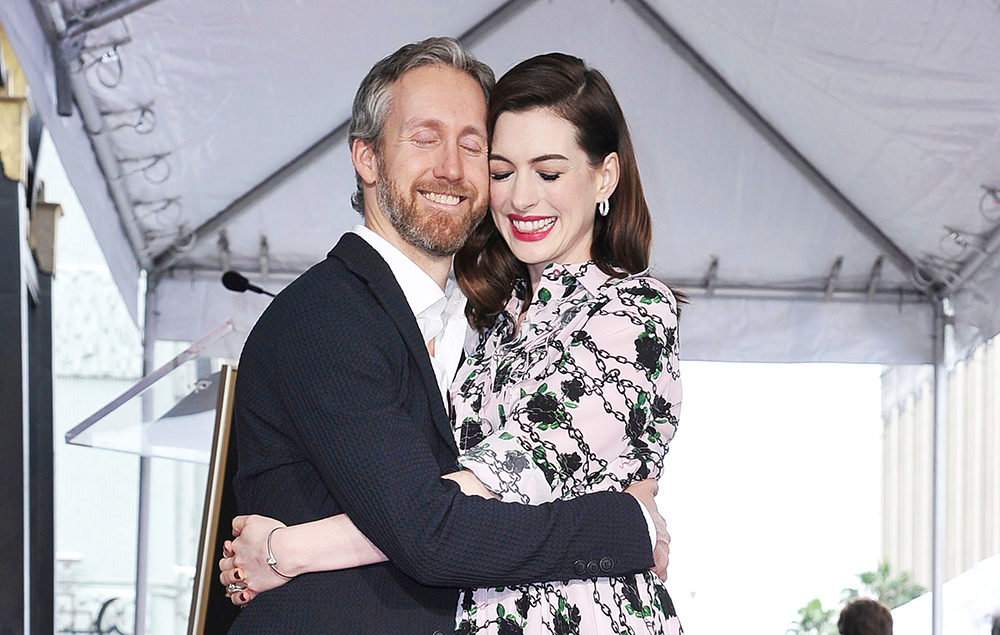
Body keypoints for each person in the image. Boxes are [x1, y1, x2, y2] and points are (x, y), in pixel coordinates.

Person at [222, 38, 671, 635]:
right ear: (367, 158)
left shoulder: (606, 312)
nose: (454, 169)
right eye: (425, 137)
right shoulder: (327, 317)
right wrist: (627, 530)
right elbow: (430, 527)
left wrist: (289, 549)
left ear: (604, 176)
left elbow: (457, 507)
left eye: (473, 146)